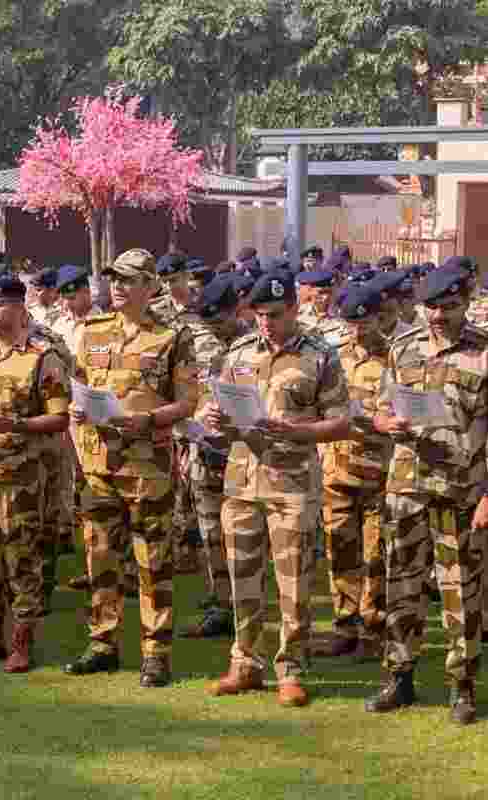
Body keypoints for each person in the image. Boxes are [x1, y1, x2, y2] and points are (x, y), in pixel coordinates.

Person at [202, 270, 350, 708]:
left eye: (275, 314)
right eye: (260, 314)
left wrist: (294, 430)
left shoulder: (320, 355)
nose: (266, 322)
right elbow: (222, 409)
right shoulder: (240, 352)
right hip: (242, 481)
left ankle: (291, 669)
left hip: (292, 486)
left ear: (294, 309)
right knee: (242, 578)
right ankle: (244, 662)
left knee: (294, 583)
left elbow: (342, 421)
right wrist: (213, 418)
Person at [63, 248, 198, 688]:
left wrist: (150, 419)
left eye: (127, 280)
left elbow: (187, 401)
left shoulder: (171, 336)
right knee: (100, 557)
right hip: (99, 464)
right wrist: (77, 409)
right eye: (113, 279)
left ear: (151, 286)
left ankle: (155, 652)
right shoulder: (91, 331)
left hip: (147, 467)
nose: (117, 287)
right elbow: (79, 386)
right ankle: (102, 643)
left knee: (152, 562)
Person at [366, 265, 485, 725]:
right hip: (406, 487)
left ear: (466, 302)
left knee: (461, 591)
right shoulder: (403, 348)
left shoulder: (483, 352)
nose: (437, 315)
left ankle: (463, 686)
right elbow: (380, 408)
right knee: (402, 586)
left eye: (448, 306)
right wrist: (385, 423)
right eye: (430, 307)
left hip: (460, 489)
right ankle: (399, 677)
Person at [0, 271, 70, 670]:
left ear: (20, 307)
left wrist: (16, 426)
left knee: (23, 556)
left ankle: (21, 639)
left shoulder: (42, 354)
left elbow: (60, 418)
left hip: (20, 473)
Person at [316, 284, 392, 663]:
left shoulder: (396, 358)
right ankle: (345, 626)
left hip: (380, 474)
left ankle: (373, 630)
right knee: (340, 551)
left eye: (365, 322)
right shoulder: (333, 357)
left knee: (376, 555)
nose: (358, 330)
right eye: (351, 323)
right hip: (337, 471)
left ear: (380, 317)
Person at [177, 275, 244, 640]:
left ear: (236, 310)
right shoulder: (194, 342)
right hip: (203, 451)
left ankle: (248, 607)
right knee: (211, 534)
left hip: (246, 454)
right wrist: (185, 436)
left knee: (246, 537)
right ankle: (220, 605)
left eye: (219, 320)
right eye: (208, 321)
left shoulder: (255, 344)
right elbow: (181, 393)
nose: (213, 328)